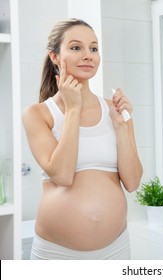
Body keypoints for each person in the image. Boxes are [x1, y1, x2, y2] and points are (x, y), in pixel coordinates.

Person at [22, 19, 143, 259]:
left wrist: (121, 126)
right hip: (56, 255)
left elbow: (132, 182)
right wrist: (73, 109)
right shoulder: (38, 114)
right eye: (76, 48)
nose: (88, 55)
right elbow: (63, 175)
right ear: (55, 57)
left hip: (116, 250)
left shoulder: (116, 111)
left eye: (94, 48)